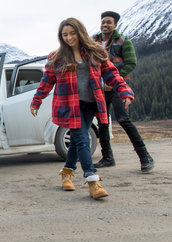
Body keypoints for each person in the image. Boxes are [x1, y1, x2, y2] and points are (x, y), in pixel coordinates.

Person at [30, 17, 134, 199]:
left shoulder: (95, 52)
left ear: (80, 32)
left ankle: (67, 173)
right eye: (65, 35)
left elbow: (112, 74)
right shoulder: (57, 57)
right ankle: (93, 181)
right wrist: (36, 100)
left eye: (72, 33)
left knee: (78, 142)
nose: (69, 38)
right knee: (82, 139)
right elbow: (46, 81)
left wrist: (124, 91)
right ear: (60, 37)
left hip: (89, 104)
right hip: (69, 106)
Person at [93, 11, 154, 172]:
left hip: (118, 87)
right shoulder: (94, 41)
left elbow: (131, 63)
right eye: (103, 22)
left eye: (109, 22)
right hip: (100, 88)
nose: (105, 25)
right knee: (102, 121)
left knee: (123, 119)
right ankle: (107, 158)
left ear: (115, 25)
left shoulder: (124, 41)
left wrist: (112, 80)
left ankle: (145, 156)